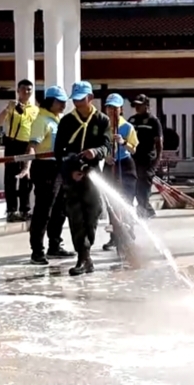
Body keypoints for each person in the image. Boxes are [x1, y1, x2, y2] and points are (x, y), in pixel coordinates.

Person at [54, 81, 112, 276]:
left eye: (81, 99)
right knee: (76, 216)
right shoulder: (67, 121)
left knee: (93, 212)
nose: (77, 103)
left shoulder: (101, 120)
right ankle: (83, 256)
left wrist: (95, 152)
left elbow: (107, 146)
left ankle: (86, 253)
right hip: (72, 175)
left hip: (93, 173)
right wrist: (71, 170)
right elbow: (59, 151)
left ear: (90, 98)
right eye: (75, 99)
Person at [23, 86, 75, 265]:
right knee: (44, 210)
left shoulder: (57, 119)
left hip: (59, 167)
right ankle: (37, 251)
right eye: (60, 102)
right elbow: (32, 146)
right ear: (50, 101)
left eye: (64, 102)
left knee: (60, 209)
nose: (63, 105)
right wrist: (27, 166)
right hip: (45, 168)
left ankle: (55, 245)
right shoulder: (41, 120)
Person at [0, 79, 37, 222]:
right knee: (10, 178)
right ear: (18, 91)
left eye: (29, 89)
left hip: (27, 145)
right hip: (12, 143)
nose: (26, 92)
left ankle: (25, 209)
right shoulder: (12, 106)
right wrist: (7, 109)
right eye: (23, 89)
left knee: (26, 177)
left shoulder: (34, 109)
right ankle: (11, 210)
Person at [101, 94, 139, 252]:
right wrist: (105, 156)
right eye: (109, 107)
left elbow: (134, 149)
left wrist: (123, 142)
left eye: (115, 108)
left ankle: (129, 232)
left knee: (126, 199)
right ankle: (114, 236)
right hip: (110, 165)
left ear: (121, 109)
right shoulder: (103, 126)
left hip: (125, 165)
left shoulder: (127, 127)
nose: (112, 110)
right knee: (111, 201)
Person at [128, 94, 163, 220]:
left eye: (140, 105)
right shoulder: (132, 120)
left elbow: (159, 142)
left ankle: (143, 212)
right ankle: (147, 211)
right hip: (133, 159)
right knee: (135, 186)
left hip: (148, 159)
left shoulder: (153, 121)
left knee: (144, 187)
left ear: (146, 105)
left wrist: (157, 160)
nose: (137, 107)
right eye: (135, 105)